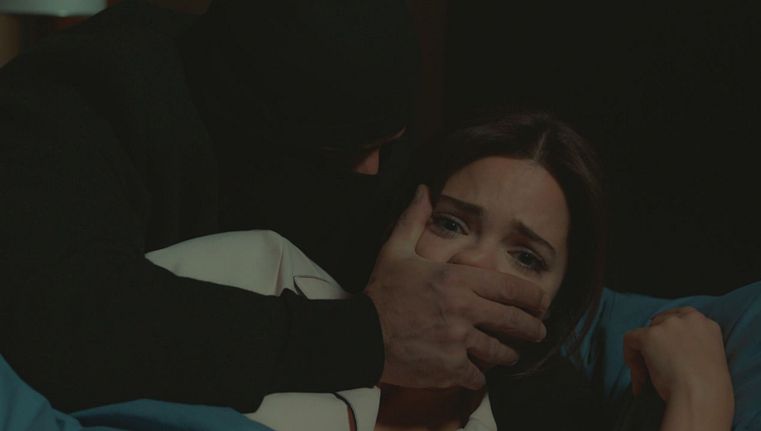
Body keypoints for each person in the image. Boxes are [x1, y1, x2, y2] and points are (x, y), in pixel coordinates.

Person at [0, 0, 549, 413]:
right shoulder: (78, 98)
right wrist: (362, 338)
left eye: (387, 145)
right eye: (342, 153)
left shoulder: (358, 145)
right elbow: (65, 319)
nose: (372, 174)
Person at [135, 112, 735, 431]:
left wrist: (700, 399)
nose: (472, 263)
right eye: (451, 223)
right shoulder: (258, 270)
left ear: (554, 306)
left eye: (525, 256)